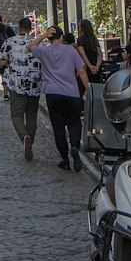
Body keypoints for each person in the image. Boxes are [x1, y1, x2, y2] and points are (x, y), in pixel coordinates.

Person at [32, 26, 88, 170]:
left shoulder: (44, 51)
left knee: (58, 127)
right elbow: (81, 70)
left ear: (49, 38)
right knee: (74, 123)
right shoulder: (70, 50)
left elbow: (31, 46)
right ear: (62, 37)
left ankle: (64, 159)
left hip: (52, 93)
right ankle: (74, 147)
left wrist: (43, 35)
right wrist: (88, 89)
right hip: (71, 92)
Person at [0, 18, 43, 160]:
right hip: (35, 84)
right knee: (31, 115)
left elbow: (1, 61)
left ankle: (25, 138)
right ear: (30, 28)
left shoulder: (10, 42)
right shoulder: (38, 42)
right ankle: (30, 141)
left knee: (16, 115)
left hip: (17, 84)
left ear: (19, 27)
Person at [76, 20, 104, 84]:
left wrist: (90, 65)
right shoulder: (94, 39)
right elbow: (99, 54)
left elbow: (82, 53)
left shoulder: (80, 39)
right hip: (96, 67)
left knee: (87, 87)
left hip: (86, 67)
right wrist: (97, 66)